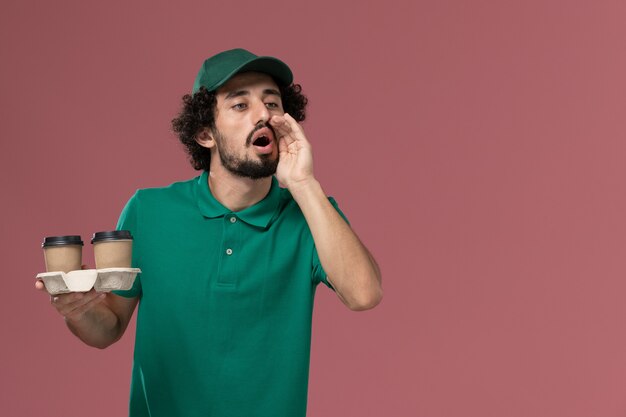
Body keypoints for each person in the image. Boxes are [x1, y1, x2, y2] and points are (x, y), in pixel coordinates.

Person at [36, 48, 382, 417]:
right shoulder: (148, 211)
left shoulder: (311, 214)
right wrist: (77, 311)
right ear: (205, 133)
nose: (263, 114)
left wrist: (303, 182)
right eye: (240, 105)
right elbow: (109, 328)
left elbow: (364, 294)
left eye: (272, 103)